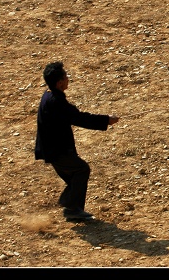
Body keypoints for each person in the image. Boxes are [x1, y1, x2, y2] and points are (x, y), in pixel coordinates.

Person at [34, 61, 119, 221]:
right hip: (56, 150)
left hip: (52, 148)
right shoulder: (56, 102)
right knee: (81, 170)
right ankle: (71, 208)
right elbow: (80, 118)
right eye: (66, 76)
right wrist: (106, 120)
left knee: (75, 176)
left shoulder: (49, 95)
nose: (68, 78)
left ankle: (74, 209)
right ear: (59, 83)